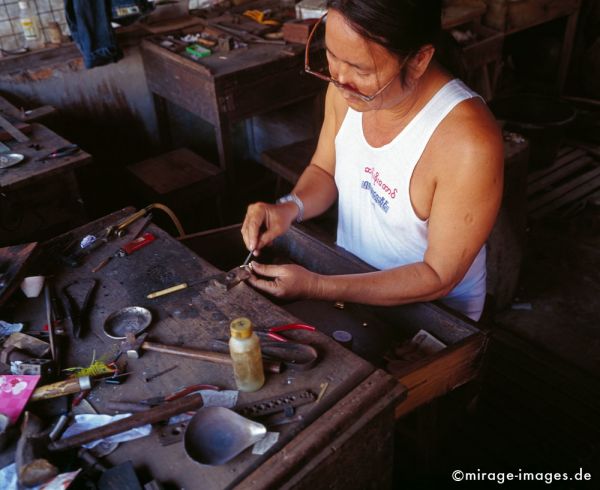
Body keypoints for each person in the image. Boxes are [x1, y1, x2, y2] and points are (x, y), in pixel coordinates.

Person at [241, 0, 504, 321]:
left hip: (430, 315)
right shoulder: (344, 89)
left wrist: (319, 287)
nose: (339, 78)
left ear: (419, 60)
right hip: (348, 282)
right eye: (332, 56)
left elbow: (439, 276)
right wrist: (288, 207)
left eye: (360, 69)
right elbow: (324, 170)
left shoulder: (468, 142)